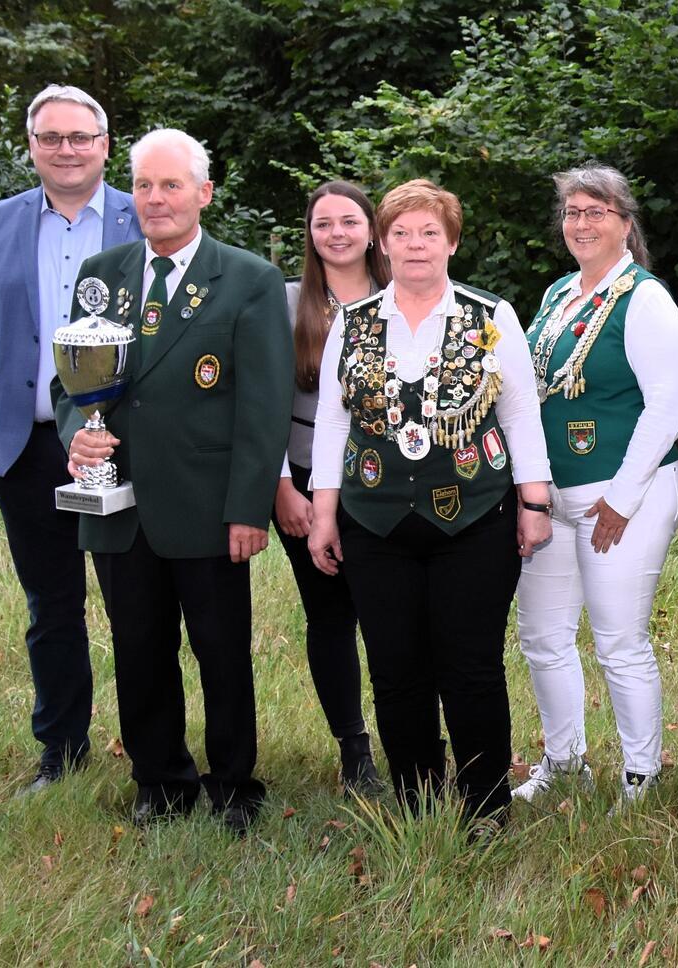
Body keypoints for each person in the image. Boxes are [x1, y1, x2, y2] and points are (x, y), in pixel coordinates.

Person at [55, 128, 292, 835]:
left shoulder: (246, 278)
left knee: (221, 653)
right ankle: (159, 781)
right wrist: (77, 435)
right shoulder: (104, 271)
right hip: (120, 505)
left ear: (203, 193)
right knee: (139, 649)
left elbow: (264, 405)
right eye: (145, 186)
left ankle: (233, 786)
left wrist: (249, 506)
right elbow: (71, 381)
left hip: (208, 507)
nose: (156, 199)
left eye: (171, 186)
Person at [304, 179, 553, 830]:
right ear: (383, 244)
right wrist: (323, 512)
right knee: (395, 670)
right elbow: (332, 422)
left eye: (429, 233)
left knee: (471, 668)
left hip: (476, 518)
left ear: (452, 241)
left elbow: (520, 411)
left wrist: (535, 502)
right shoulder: (354, 325)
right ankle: (418, 800)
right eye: (402, 234)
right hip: (374, 521)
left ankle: (485, 808)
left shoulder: (489, 316)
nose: (416, 245)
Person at [0, 84, 140, 794]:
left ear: (105, 145)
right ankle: (61, 750)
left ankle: (155, 748)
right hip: (24, 447)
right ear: (31, 147)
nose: (66, 150)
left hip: (122, 446)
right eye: (51, 138)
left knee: (136, 603)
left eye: (80, 137)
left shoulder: (141, 216)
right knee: (50, 607)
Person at [512, 166, 678, 811]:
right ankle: (565, 761)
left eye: (597, 211)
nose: (582, 223)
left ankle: (641, 773)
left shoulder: (645, 298)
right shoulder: (560, 293)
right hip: (553, 499)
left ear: (625, 222)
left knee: (618, 640)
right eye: (572, 212)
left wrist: (620, 497)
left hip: (624, 495)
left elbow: (668, 406)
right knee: (543, 634)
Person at [275, 181, 389, 792]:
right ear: (310, 235)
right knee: (330, 616)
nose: (337, 233)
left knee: (393, 614)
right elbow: (261, 401)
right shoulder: (286, 301)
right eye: (324, 224)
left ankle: (415, 737)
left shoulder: (403, 294)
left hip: (387, 479)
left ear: (372, 229)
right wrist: (278, 488)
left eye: (349, 221)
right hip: (302, 476)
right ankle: (354, 749)